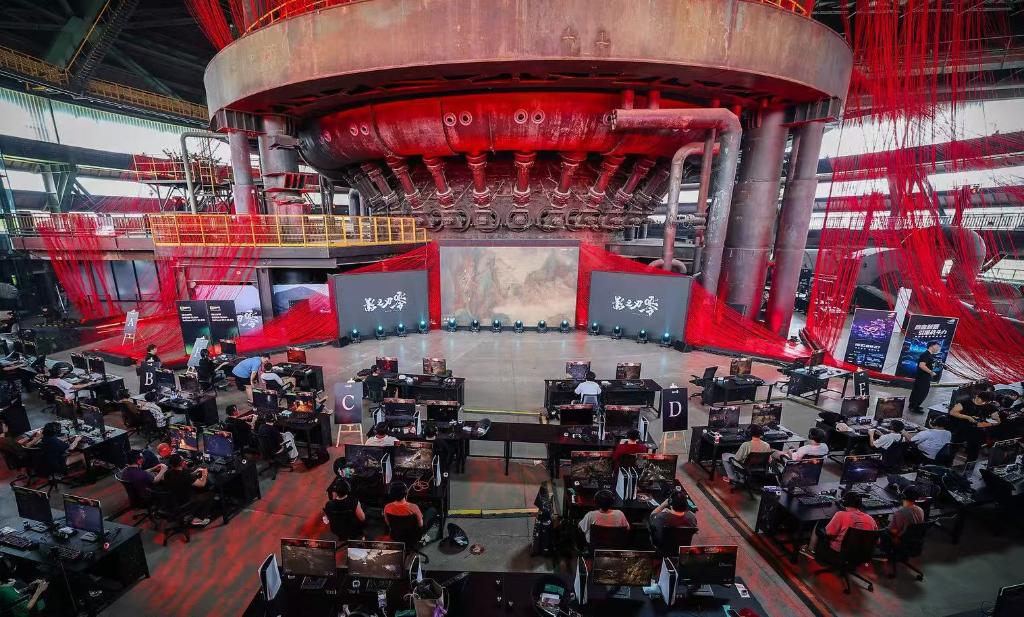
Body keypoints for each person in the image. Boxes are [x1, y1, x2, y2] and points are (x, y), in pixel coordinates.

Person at [815, 492, 878, 560]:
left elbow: (829, 533)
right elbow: (877, 541)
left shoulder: (840, 515)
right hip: (861, 555)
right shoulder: (870, 519)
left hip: (838, 555)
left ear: (844, 503)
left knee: (820, 523)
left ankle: (811, 550)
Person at [162, 453, 214, 527]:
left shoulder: (167, 473)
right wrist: (205, 474)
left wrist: (195, 472)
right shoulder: (185, 474)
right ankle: (199, 518)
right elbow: (202, 484)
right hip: (186, 500)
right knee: (210, 494)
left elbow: (185, 478)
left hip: (174, 499)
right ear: (181, 463)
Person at [949, 390, 1000, 460]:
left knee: (973, 451)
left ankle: (969, 464)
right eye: (982, 400)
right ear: (977, 397)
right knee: (954, 446)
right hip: (962, 428)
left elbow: (997, 421)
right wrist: (968, 417)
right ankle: (949, 459)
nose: (983, 403)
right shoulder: (966, 403)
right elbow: (952, 412)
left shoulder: (990, 407)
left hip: (977, 432)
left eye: (986, 402)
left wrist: (986, 424)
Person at [880, 486, 925, 554]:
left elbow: (892, 530)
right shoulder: (920, 510)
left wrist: (883, 525)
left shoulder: (900, 512)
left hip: (900, 540)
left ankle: (886, 552)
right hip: (915, 541)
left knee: (882, 531)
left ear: (903, 496)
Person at [908, 341, 941, 413]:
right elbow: (922, 365)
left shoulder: (929, 355)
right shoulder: (925, 355)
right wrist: (931, 372)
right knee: (921, 392)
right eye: (937, 346)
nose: (938, 348)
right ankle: (914, 407)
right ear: (932, 346)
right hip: (922, 377)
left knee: (919, 391)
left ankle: (914, 405)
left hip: (924, 377)